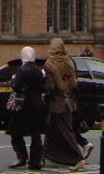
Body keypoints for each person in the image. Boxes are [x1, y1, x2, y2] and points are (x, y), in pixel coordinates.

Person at [42, 38, 88, 170]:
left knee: (66, 132)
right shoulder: (69, 62)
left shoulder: (50, 65)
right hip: (69, 102)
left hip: (58, 104)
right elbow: (73, 83)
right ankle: (43, 155)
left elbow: (50, 86)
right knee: (51, 131)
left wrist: (42, 90)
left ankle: (78, 159)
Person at [7, 46, 45, 170]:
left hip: (23, 105)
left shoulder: (21, 70)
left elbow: (17, 87)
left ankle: (21, 156)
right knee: (36, 134)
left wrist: (13, 81)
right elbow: (42, 87)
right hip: (37, 104)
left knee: (15, 131)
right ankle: (35, 161)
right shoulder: (39, 71)